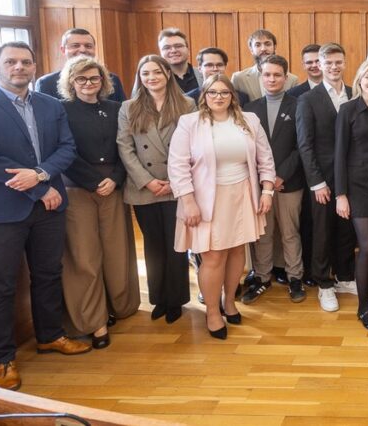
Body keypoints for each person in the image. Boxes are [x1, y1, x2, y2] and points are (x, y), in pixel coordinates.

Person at [0, 42, 90, 391]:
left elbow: (67, 149)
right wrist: (38, 187)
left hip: (48, 206)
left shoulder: (50, 105)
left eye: (26, 62)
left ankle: (50, 336)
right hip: (1, 211)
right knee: (0, 286)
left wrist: (41, 175)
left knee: (48, 274)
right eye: (11, 62)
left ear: (35, 66)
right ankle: (2, 360)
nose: (19, 67)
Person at [169, 74, 276, 340]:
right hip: (206, 200)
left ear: (232, 96)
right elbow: (177, 165)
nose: (219, 97)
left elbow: (265, 157)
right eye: (213, 92)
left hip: (242, 194)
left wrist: (268, 190)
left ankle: (230, 302)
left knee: (237, 251)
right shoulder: (189, 123)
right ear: (204, 96)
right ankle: (213, 311)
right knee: (214, 256)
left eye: (224, 93)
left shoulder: (249, 120)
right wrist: (188, 201)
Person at [58, 56, 139, 350]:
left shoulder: (116, 108)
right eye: (81, 79)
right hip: (77, 187)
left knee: (117, 250)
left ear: (103, 81)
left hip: (113, 186)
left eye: (94, 78)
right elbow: (62, 151)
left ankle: (120, 306)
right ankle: (94, 322)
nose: (89, 84)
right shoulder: (61, 111)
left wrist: (116, 178)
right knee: (84, 256)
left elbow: (125, 148)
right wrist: (92, 181)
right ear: (71, 83)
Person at [118, 55, 195, 325]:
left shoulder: (186, 104)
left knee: (176, 246)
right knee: (153, 246)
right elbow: (125, 148)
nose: (151, 77)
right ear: (139, 77)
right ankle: (159, 298)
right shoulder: (129, 107)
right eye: (145, 73)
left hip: (177, 185)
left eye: (157, 72)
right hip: (143, 188)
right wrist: (148, 181)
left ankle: (176, 300)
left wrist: (175, 181)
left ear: (167, 74)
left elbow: (192, 146)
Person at [296, 43, 357, 312]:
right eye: (328, 62)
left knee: (346, 230)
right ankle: (324, 284)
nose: (334, 67)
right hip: (322, 180)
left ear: (345, 63)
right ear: (320, 65)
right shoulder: (308, 99)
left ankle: (344, 277)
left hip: (351, 178)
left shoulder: (355, 94)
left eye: (338, 62)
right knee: (322, 232)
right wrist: (317, 182)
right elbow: (305, 144)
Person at [243, 54, 307, 304]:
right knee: (263, 233)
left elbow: (303, 146)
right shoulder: (249, 109)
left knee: (290, 233)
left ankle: (295, 277)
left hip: (289, 182)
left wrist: (279, 176)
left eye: (277, 74)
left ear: (286, 77)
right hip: (259, 184)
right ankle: (262, 277)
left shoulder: (299, 104)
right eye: (267, 74)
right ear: (261, 76)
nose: (272, 79)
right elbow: (247, 148)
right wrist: (265, 179)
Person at [335, 60, 368, 330]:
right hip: (355, 188)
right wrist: (340, 194)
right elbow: (339, 154)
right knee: (367, 245)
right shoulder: (347, 110)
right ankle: (362, 308)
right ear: (360, 79)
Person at [287, 43, 322, 287]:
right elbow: (298, 139)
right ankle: (310, 270)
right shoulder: (296, 95)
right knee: (308, 223)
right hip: (306, 171)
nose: (314, 65)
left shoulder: (350, 91)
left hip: (338, 170)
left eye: (318, 60)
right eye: (308, 61)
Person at [36, 28, 126, 103]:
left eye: (88, 46)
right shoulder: (46, 83)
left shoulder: (112, 79)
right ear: (63, 50)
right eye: (75, 46)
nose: (82, 50)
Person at [130, 28, 201, 96]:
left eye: (178, 46)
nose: (173, 50)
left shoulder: (203, 75)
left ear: (188, 50)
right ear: (160, 52)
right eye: (167, 47)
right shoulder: (149, 78)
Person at [232, 29, 299, 100]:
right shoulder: (239, 78)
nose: (263, 49)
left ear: (275, 47)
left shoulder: (292, 80)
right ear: (251, 49)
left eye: (267, 44)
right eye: (258, 45)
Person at [184, 47, 250, 106]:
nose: (215, 69)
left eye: (219, 65)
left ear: (225, 66)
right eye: (209, 65)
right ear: (200, 68)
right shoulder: (188, 99)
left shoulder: (241, 98)